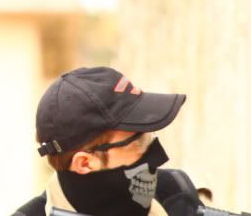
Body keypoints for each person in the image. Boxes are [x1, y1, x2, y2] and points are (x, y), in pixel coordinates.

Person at [13, 66, 203, 216]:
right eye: (138, 142)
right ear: (85, 163)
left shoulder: (175, 192)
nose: (155, 155)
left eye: (148, 134)